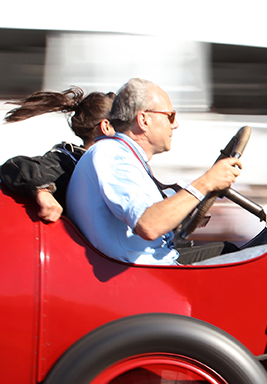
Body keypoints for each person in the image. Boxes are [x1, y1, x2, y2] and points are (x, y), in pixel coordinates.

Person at [66, 77, 243, 265]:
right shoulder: (114, 155)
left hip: (151, 265)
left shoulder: (123, 156)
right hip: (143, 276)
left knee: (230, 251)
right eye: (170, 116)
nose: (175, 125)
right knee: (259, 256)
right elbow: (149, 225)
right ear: (143, 119)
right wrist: (206, 182)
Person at [0, 88, 114, 223]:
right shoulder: (69, 162)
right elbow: (15, 166)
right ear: (106, 127)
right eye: (124, 125)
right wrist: (42, 191)